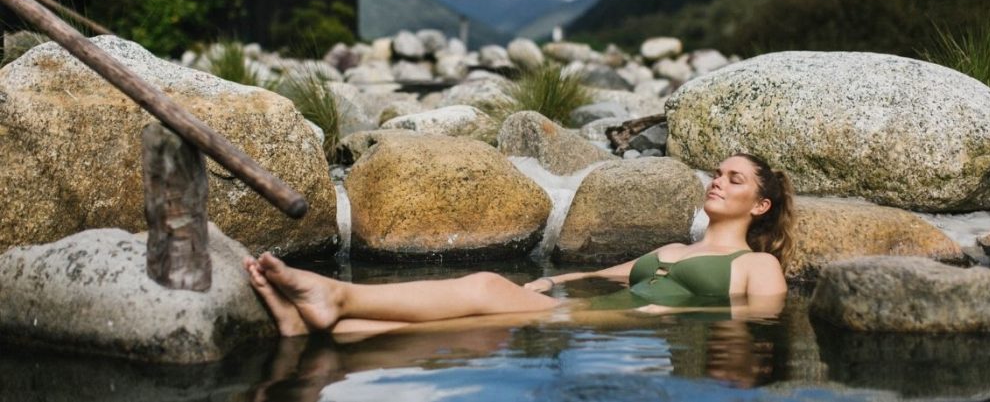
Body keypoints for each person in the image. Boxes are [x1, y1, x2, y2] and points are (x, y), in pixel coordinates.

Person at [244, 153, 794, 336]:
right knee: (469, 326)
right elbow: (598, 275)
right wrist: (555, 278)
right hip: (592, 309)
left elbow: (762, 319)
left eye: (735, 179)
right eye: (717, 173)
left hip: (627, 326)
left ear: (761, 205)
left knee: (485, 286)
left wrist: (674, 309)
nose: (717, 181)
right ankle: (304, 325)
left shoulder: (756, 264)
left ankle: (337, 296)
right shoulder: (676, 249)